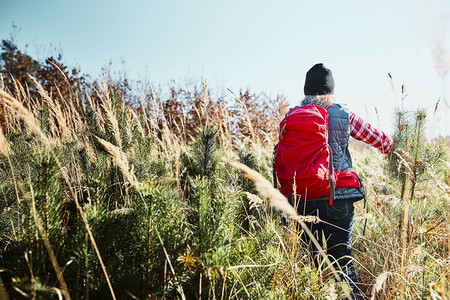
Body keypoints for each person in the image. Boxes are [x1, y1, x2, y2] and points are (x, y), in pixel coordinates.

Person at [291, 63, 393, 299]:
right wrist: (391, 148)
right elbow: (375, 137)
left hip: (301, 197)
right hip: (337, 196)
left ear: (306, 91)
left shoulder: (292, 116)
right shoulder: (342, 114)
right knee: (341, 258)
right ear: (330, 90)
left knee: (309, 258)